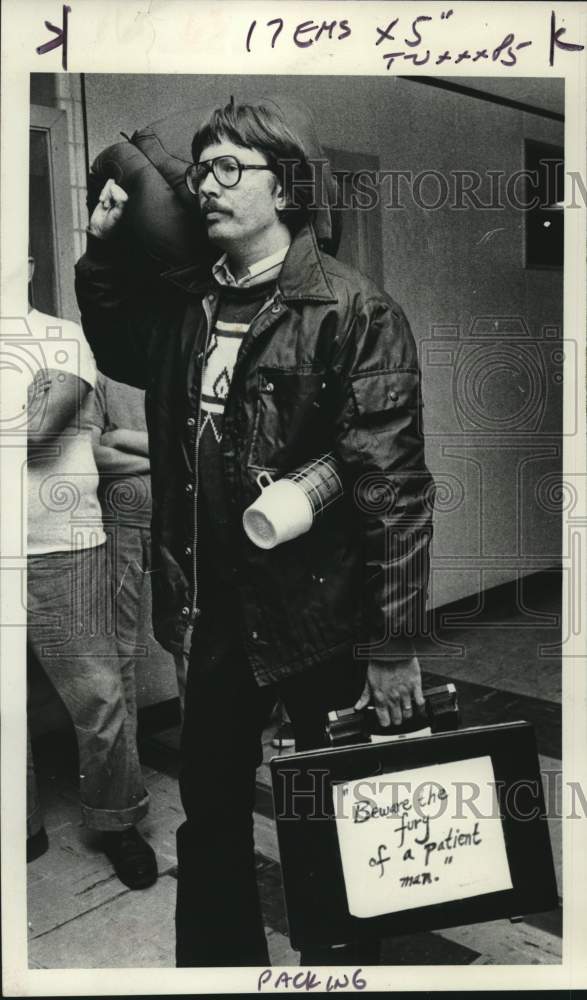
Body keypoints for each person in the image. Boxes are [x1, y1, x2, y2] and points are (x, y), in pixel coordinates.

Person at [75, 98, 434, 965]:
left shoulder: (354, 311)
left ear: (290, 185)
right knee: (212, 817)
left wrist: (391, 645)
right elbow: (121, 348)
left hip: (319, 618)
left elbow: (391, 487)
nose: (206, 185)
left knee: (330, 815)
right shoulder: (187, 308)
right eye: (200, 170)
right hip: (211, 615)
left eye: (230, 168)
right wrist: (100, 250)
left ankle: (339, 974)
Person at [26, 257, 158, 889]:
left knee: (100, 696)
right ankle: (20, 825)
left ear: (27, 266)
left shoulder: (61, 337)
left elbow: (35, 431)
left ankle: (116, 822)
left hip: (63, 543)